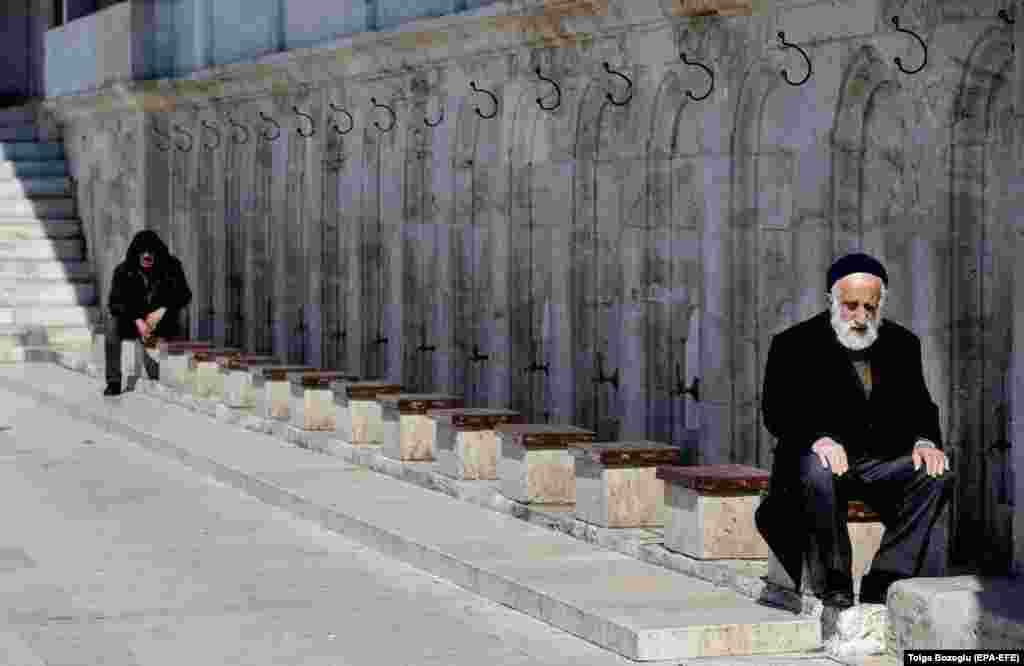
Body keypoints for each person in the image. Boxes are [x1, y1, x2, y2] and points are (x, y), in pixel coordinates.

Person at [755, 252, 953, 609]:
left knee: (936, 473)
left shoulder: (902, 343)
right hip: (818, 465)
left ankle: (886, 575)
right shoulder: (793, 343)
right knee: (819, 469)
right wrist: (818, 438)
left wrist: (925, 441)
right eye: (850, 306)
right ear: (830, 301)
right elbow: (776, 411)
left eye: (870, 307)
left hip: (880, 462)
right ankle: (835, 581)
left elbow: (921, 406)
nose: (861, 318)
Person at [103, 229, 192, 396]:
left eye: (150, 256)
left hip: (161, 322)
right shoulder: (123, 271)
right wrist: (137, 320)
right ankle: (113, 381)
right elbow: (114, 303)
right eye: (142, 255)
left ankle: (157, 373)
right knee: (111, 327)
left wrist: (163, 309)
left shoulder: (172, 267)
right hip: (132, 321)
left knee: (153, 372)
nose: (146, 259)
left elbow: (184, 295)